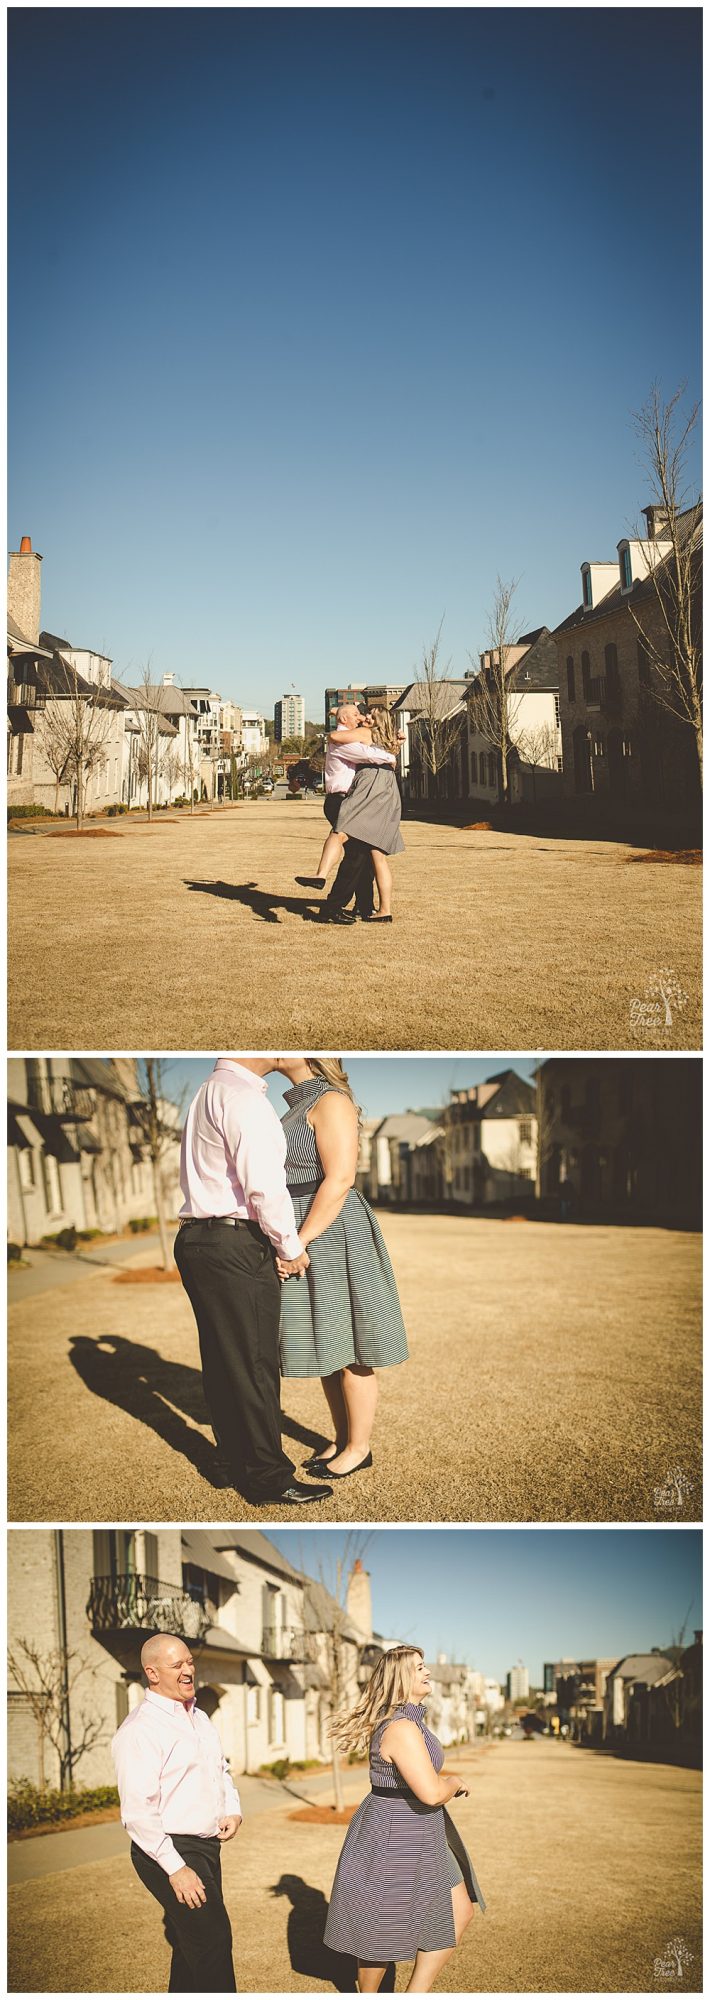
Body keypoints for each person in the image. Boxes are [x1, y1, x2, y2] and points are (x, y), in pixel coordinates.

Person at [174, 1057, 333, 1506]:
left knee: (224, 1359)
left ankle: (232, 1462)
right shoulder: (244, 1098)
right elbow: (264, 1185)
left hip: (197, 1240)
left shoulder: (209, 1089)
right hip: (234, 1242)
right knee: (255, 1362)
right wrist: (289, 1246)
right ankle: (266, 1476)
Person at [275, 1056, 409, 1480]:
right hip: (305, 1223)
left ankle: (359, 1447)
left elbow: (340, 1178)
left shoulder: (331, 1100)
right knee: (328, 1345)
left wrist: (301, 1238)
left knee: (352, 1347)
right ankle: (341, 1436)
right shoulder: (295, 1105)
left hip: (331, 1229)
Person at [324, 1646, 485, 1993]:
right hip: (395, 1831)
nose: (427, 1672)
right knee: (381, 1930)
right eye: (419, 1668)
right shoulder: (401, 1728)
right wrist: (454, 1782)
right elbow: (429, 1792)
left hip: (423, 1828)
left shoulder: (412, 1722)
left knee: (460, 1910)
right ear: (401, 1679)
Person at [112, 1633, 241, 1993]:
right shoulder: (139, 1730)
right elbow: (137, 1812)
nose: (188, 1671)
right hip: (167, 1850)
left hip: (205, 1847)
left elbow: (220, 1769)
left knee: (192, 1946)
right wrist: (176, 1868)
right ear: (152, 1673)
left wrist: (231, 1807)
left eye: (190, 1662)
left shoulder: (198, 1717)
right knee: (213, 1940)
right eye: (177, 1665)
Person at [297, 704, 404, 922]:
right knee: (356, 854)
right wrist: (391, 754)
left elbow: (346, 718)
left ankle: (362, 905)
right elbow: (369, 755)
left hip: (355, 800)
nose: (361, 717)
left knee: (362, 856)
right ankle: (333, 906)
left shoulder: (352, 735)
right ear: (346, 719)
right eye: (356, 715)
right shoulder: (343, 740)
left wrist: (394, 744)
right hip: (340, 800)